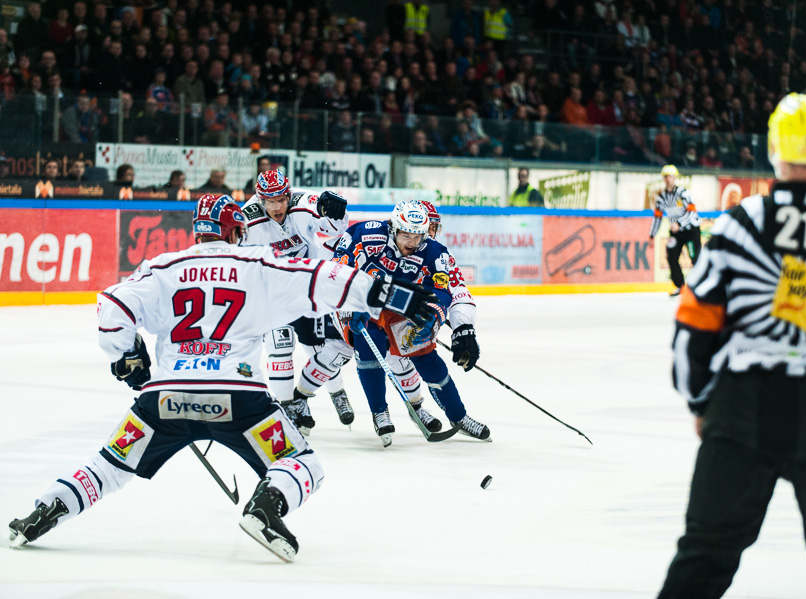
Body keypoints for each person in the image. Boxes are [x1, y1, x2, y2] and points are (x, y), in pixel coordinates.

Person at [7, 194, 438, 562]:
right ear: (237, 231)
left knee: (111, 465)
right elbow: (324, 278)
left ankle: (45, 510)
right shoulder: (256, 264)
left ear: (198, 231)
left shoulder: (163, 267)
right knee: (304, 462)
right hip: (237, 400)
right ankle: (267, 506)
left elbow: (112, 310)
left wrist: (129, 357)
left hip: (165, 399)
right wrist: (397, 296)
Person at [658, 94, 806, 598]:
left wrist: (704, 402)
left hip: (740, 406)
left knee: (704, 556)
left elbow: (692, 327)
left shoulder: (738, 226)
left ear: (773, 148)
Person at [332, 201, 490, 446]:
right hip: (362, 300)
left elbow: (443, 291)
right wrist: (349, 301)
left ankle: (459, 417)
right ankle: (379, 412)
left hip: (401, 304)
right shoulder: (365, 234)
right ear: (392, 228)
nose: (411, 243)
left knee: (428, 360)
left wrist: (435, 316)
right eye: (406, 235)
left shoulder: (434, 251)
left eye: (418, 236)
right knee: (368, 342)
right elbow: (336, 270)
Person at [240, 170, 352, 433]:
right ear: (259, 200)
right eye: (270, 201)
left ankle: (338, 393)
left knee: (319, 348)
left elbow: (337, 228)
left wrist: (336, 211)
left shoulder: (305, 203)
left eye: (282, 199)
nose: (278, 206)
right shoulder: (246, 220)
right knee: (280, 349)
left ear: (289, 195)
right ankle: (287, 406)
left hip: (307, 290)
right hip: (271, 295)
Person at [649, 165, 701, 296]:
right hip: (676, 232)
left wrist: (679, 222)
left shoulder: (683, 193)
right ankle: (680, 286)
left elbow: (691, 212)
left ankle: (700, 285)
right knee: (671, 256)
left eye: (670, 176)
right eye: (665, 176)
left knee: (695, 258)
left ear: (675, 178)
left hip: (691, 230)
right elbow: (657, 217)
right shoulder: (661, 198)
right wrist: (652, 235)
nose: (668, 179)